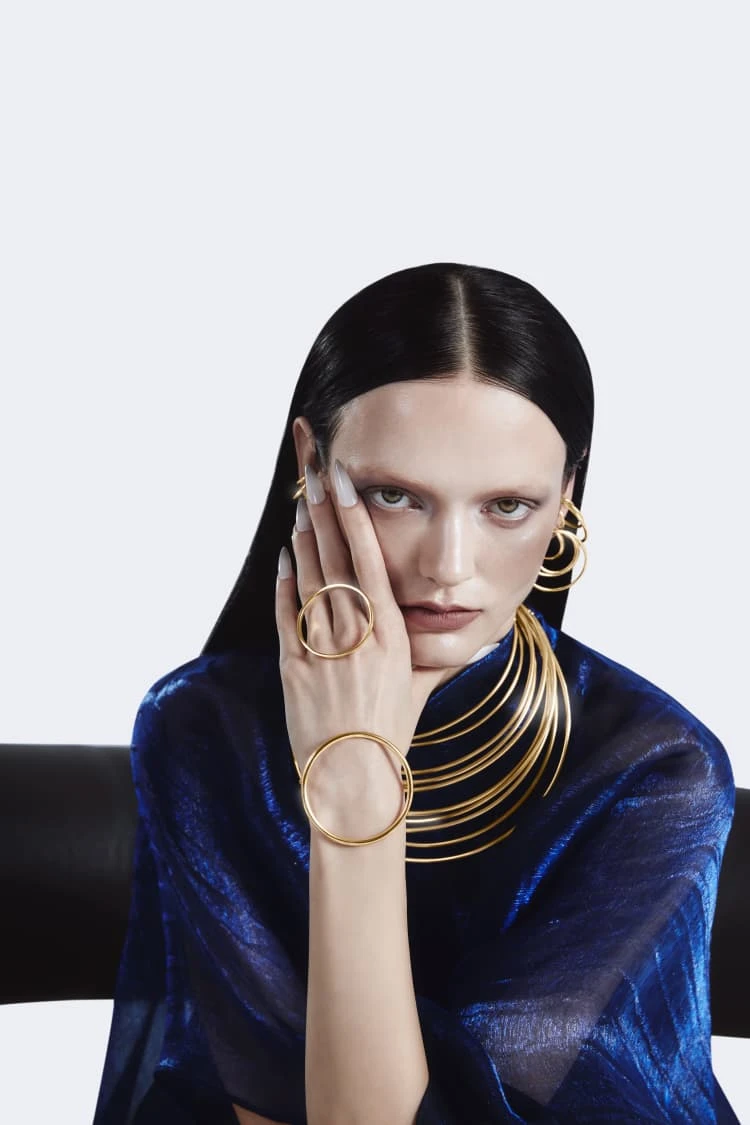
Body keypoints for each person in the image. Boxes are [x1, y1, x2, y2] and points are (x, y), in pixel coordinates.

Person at [93, 263, 738, 1124]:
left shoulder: (656, 770)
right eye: (396, 496)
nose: (449, 567)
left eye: (507, 505)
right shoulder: (206, 729)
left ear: (567, 496)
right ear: (310, 462)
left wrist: (355, 777)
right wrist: (355, 764)